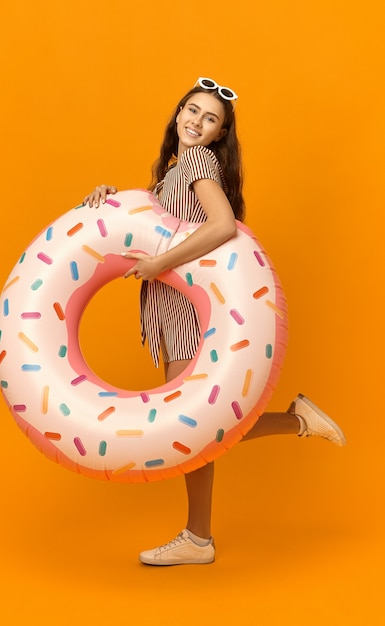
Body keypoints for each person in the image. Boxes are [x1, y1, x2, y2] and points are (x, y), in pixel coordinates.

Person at [84, 77, 346, 566]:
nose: (196, 121)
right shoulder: (174, 170)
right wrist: (108, 196)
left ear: (219, 133)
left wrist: (161, 265)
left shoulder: (200, 163)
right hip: (171, 308)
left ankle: (199, 537)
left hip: (186, 310)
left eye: (210, 119)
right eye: (191, 109)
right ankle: (297, 422)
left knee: (193, 427)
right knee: (197, 424)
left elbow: (223, 224)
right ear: (177, 111)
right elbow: (150, 223)